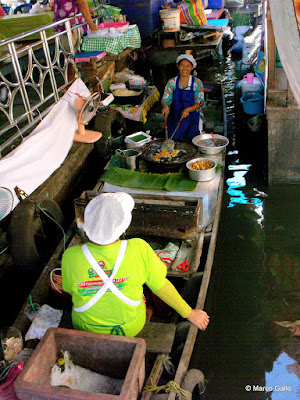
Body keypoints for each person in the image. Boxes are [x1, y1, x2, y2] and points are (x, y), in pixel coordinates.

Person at [62, 192, 210, 337]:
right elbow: (160, 286)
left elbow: (68, 289)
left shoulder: (70, 256)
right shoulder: (139, 248)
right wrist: (189, 313)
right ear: (123, 226)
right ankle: (149, 311)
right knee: (147, 286)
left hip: (86, 329)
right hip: (130, 329)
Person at [161, 54, 205, 141]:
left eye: (188, 66)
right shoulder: (172, 82)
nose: (185, 68)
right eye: (182, 65)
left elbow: (200, 103)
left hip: (192, 118)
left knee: (192, 141)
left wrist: (188, 109)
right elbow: (165, 99)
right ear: (177, 66)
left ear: (192, 67)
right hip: (175, 117)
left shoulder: (197, 82)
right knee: (174, 141)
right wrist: (165, 107)